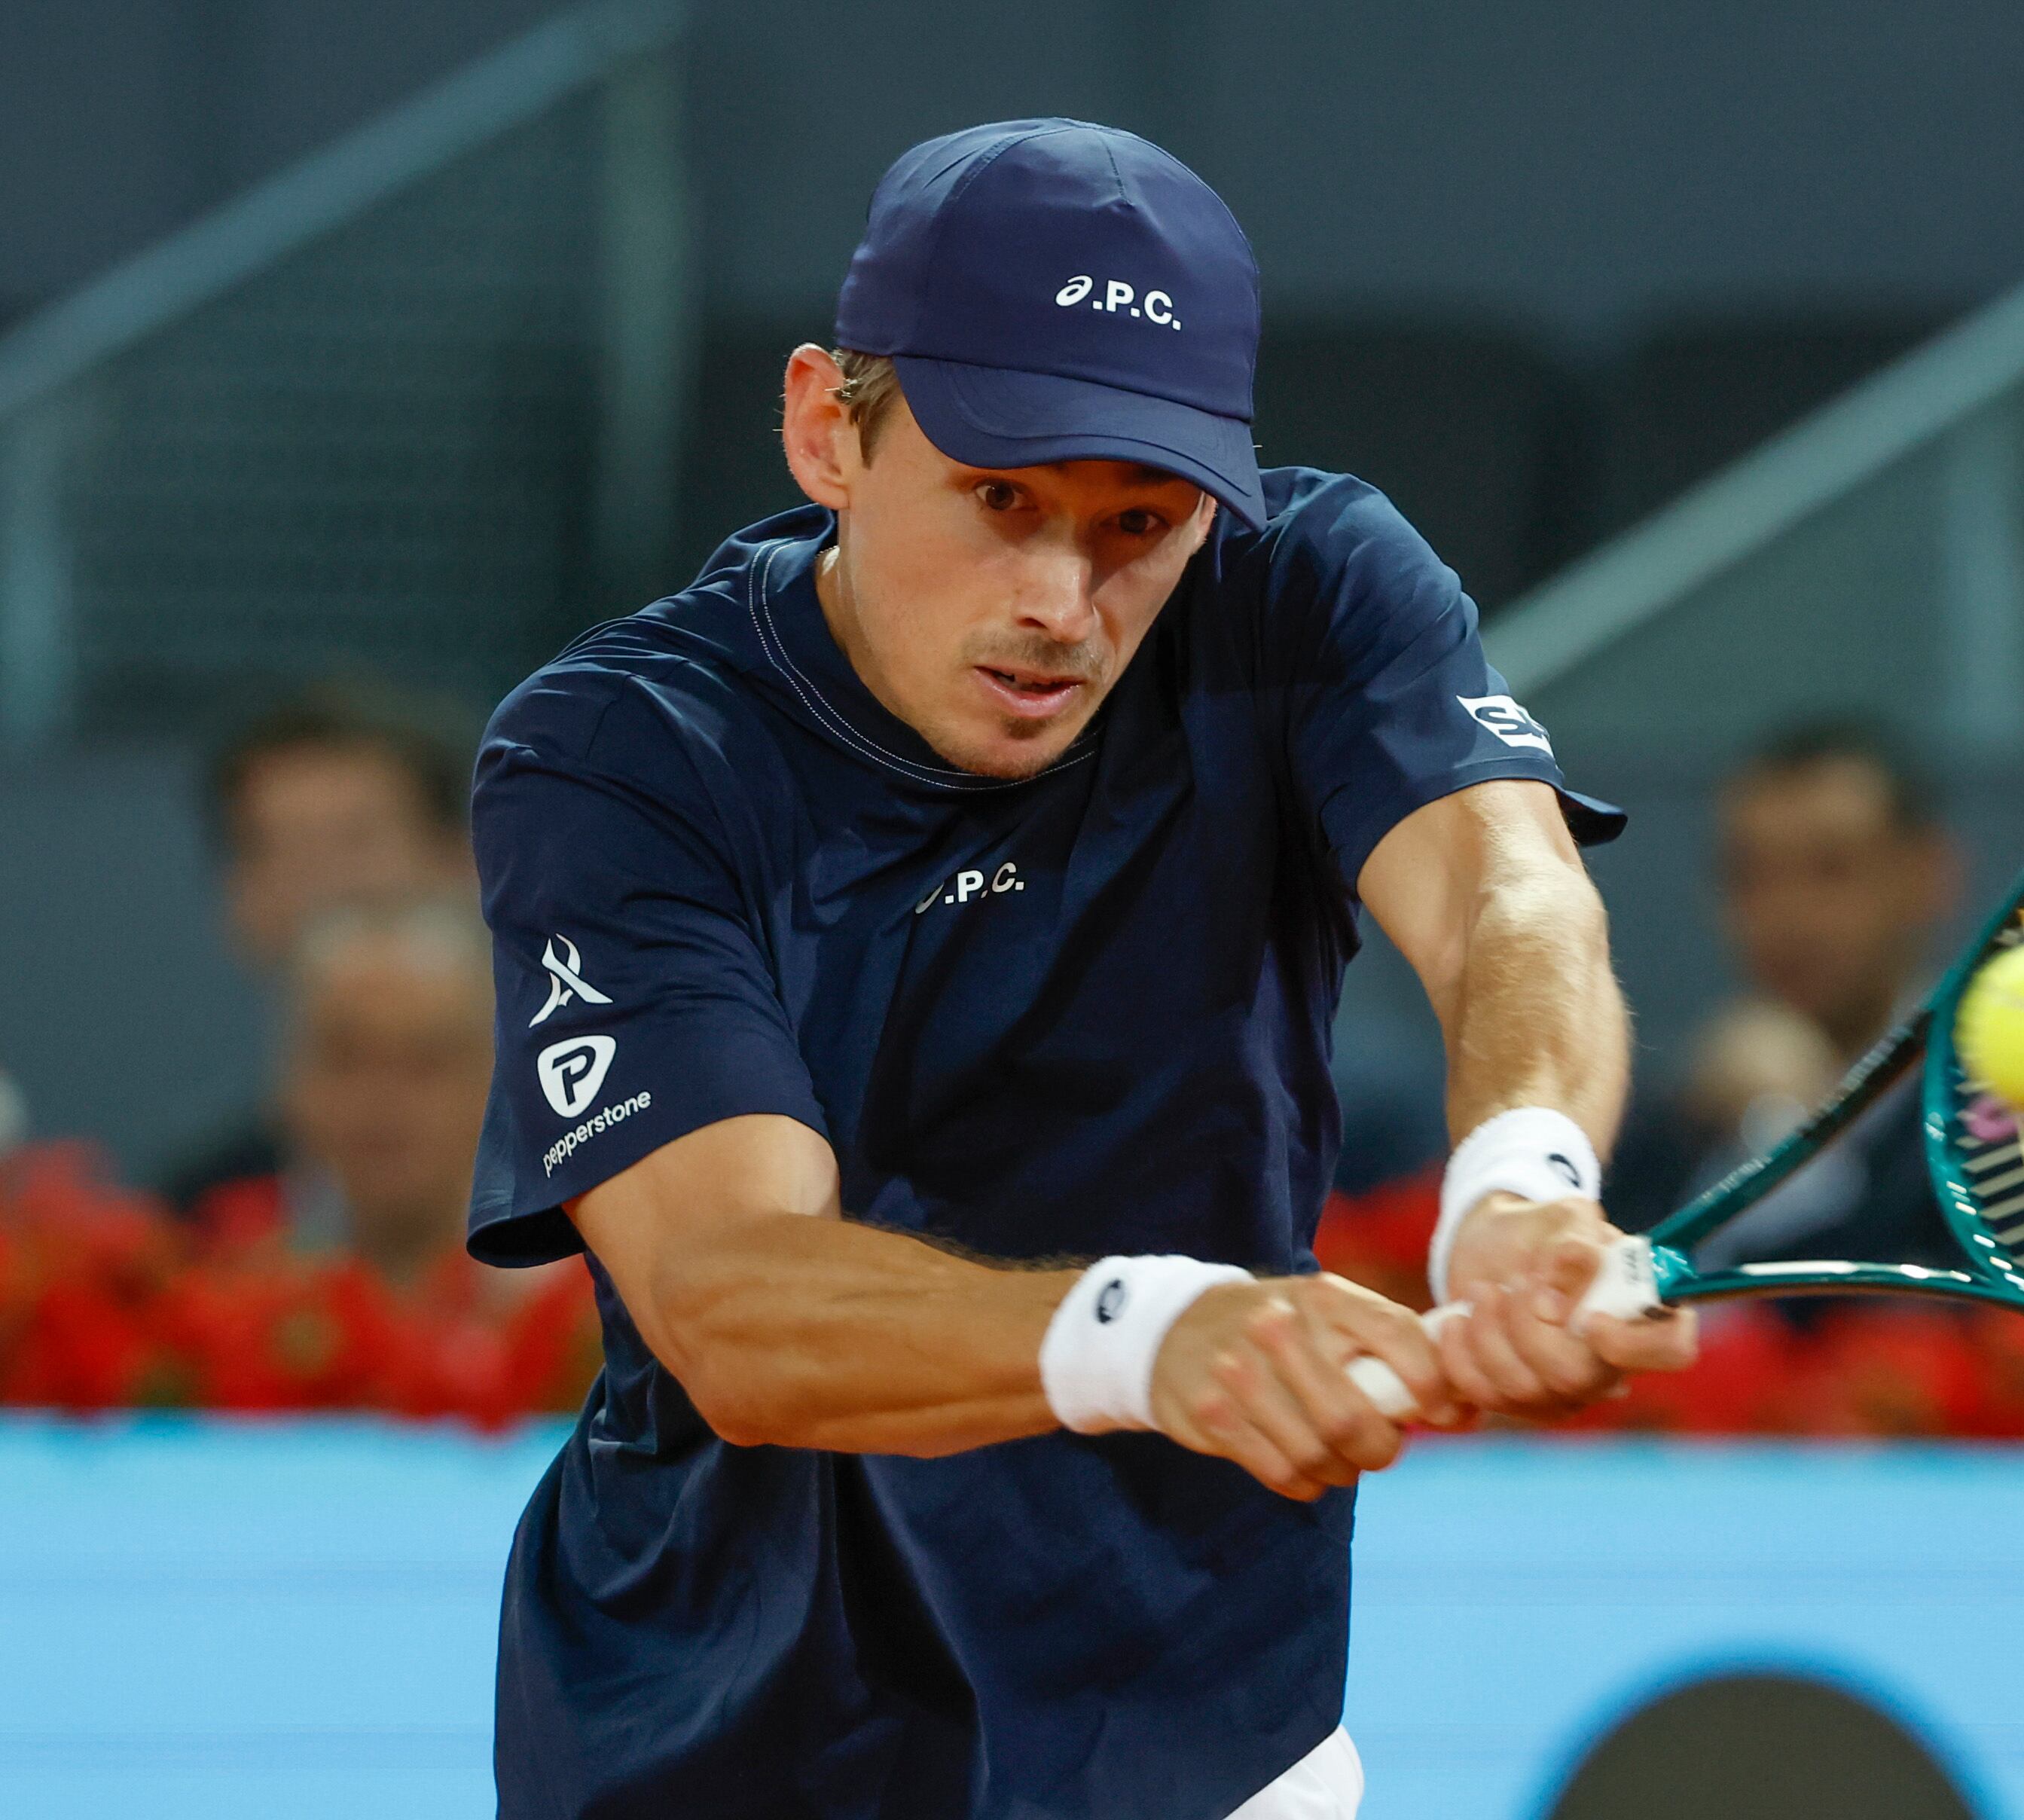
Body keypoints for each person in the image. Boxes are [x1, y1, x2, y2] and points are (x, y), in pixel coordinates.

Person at [466, 120, 1695, 1820]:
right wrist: (1152, 1330)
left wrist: (1521, 1177)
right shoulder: (621, 754)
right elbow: (733, 1297)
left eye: (1138, 520)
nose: (1061, 598)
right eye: (997, 498)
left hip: (1206, 1734)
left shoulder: (1309, 588)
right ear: (830, 425)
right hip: (724, 1744)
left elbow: (1510, 895)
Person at [1620, 720, 1964, 1278]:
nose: (1787, 915)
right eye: (1749, 876)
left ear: (1929, 877)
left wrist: (1782, 1129)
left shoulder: (1998, 1135)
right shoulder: (1668, 1133)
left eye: (1831, 869)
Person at [160, 690, 477, 1210]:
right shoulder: (197, 1220)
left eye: (355, 840)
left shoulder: (596, 1179)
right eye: (281, 848)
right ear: (236, 900)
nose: (321, 883)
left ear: (465, 868)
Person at [193, 901, 502, 1290]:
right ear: (288, 1082)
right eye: (347, 1058)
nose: (383, 1099)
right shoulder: (218, 1279)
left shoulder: (581, 1307)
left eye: (426, 1060)